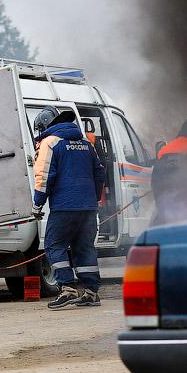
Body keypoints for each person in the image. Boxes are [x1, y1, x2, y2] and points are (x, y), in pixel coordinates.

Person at [32, 106, 106, 310]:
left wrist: (38, 203)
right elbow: (100, 172)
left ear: (45, 127)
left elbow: (44, 176)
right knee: (84, 248)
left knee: (54, 245)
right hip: (88, 207)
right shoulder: (85, 142)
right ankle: (91, 293)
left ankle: (67, 289)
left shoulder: (50, 142)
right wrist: (93, 198)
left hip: (64, 207)